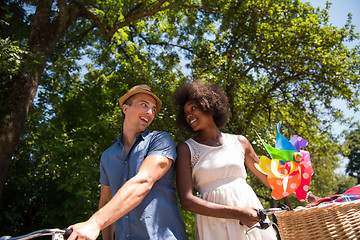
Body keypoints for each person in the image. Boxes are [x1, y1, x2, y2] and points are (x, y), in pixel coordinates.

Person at [68, 84, 186, 240]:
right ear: (125, 109)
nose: (149, 112)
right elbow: (105, 202)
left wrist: (94, 223)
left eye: (153, 109)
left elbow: (143, 181)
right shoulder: (107, 156)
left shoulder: (161, 140)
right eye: (144, 105)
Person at [173, 80, 277, 240]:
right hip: (214, 225)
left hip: (252, 218)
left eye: (193, 108)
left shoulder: (240, 142)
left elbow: (272, 181)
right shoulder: (186, 149)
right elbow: (187, 202)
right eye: (186, 113)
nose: (189, 116)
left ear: (209, 105)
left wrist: (304, 192)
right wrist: (238, 213)